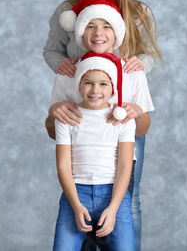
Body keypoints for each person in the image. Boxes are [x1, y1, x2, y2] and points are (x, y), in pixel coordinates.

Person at [46, 0, 154, 251]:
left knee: (126, 213)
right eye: (91, 26)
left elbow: (142, 129)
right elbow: (54, 134)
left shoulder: (131, 70)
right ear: (80, 32)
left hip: (114, 176)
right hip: (78, 179)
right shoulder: (69, 70)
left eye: (106, 26)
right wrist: (54, 111)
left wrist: (136, 112)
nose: (98, 33)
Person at [53, 51, 135, 250]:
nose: (95, 90)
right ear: (79, 85)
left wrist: (114, 207)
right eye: (88, 82)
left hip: (113, 193)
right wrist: (76, 205)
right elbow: (63, 166)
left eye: (103, 84)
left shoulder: (122, 120)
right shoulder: (67, 117)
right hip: (76, 192)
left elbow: (125, 166)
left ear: (113, 88)